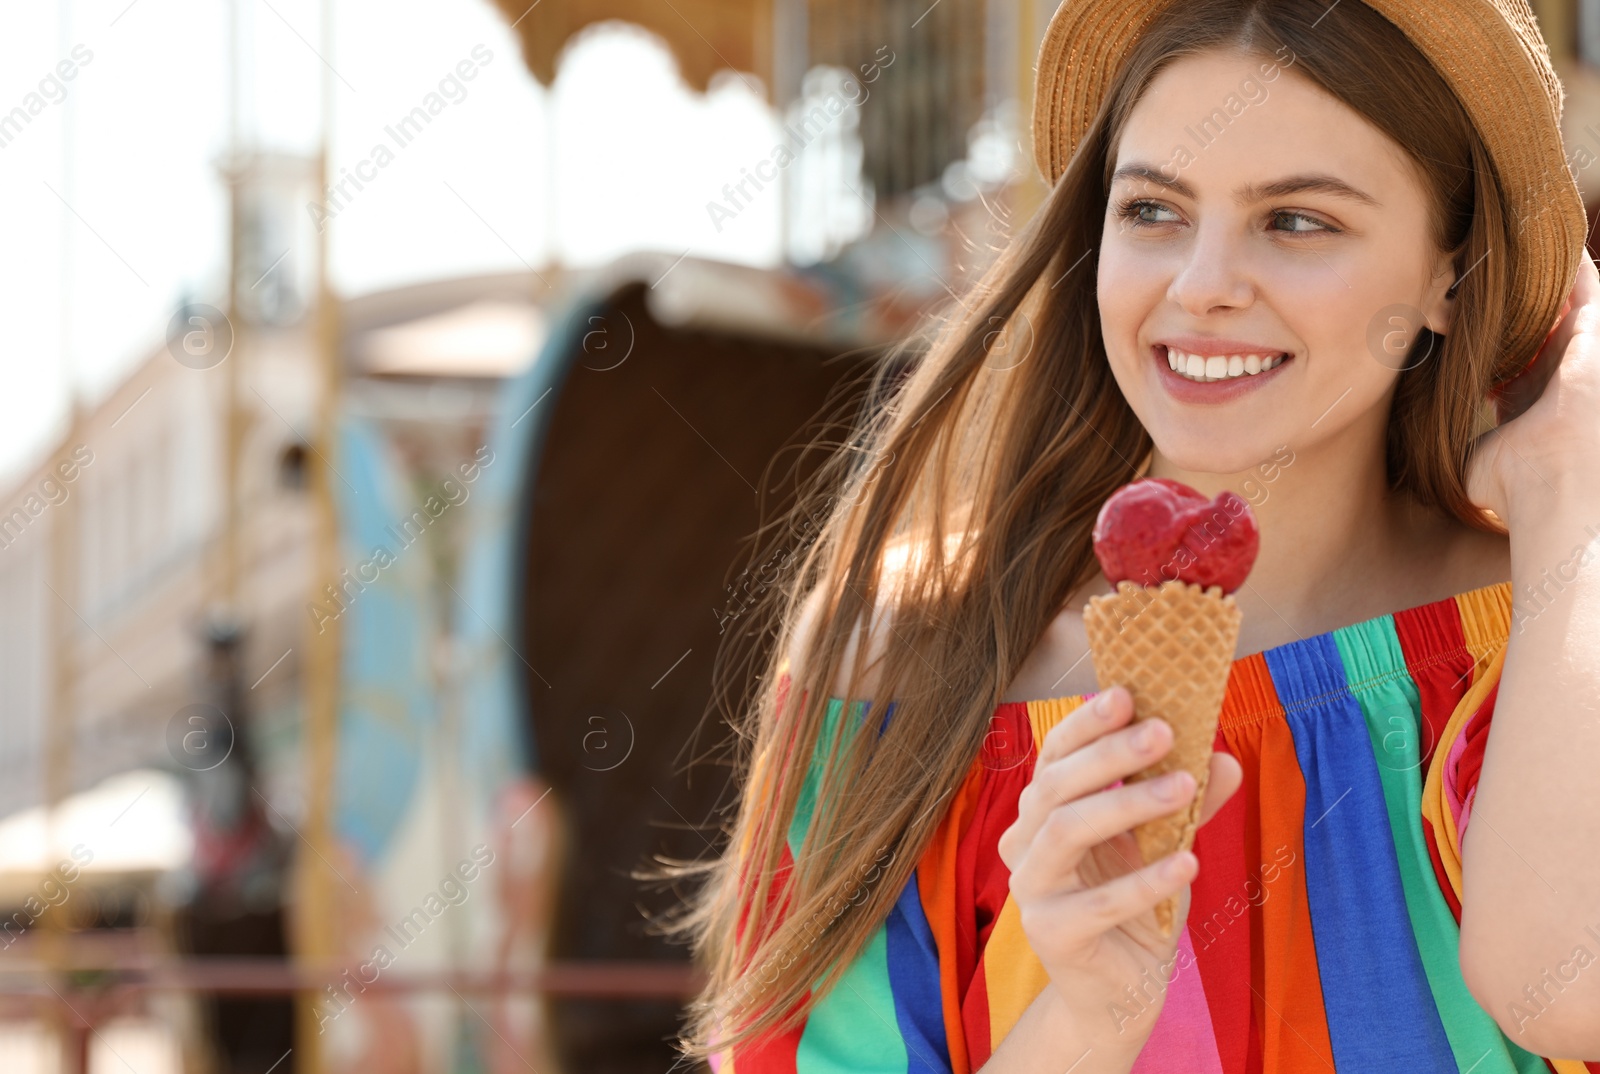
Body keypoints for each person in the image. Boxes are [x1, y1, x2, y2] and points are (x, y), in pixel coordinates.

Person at [662, 0, 1600, 1069]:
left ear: (1448, 272)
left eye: (1297, 221)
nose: (1200, 288)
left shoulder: (1551, 639)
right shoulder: (894, 671)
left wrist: (1568, 475)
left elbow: (1567, 995)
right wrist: (1086, 1016)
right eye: (1153, 210)